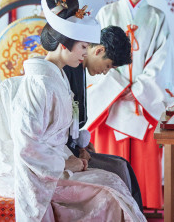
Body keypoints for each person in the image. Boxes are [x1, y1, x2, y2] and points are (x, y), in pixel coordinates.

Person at [0, 0, 146, 221]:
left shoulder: (59, 75)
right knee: (112, 191)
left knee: (116, 180)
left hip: (56, 161)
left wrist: (71, 153)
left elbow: (55, 134)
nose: (86, 53)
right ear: (64, 45)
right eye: (83, 47)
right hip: (39, 172)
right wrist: (65, 161)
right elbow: (28, 147)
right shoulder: (40, 84)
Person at [84, 0, 174, 209]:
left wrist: (138, 89)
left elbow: (163, 59)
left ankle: (145, 206)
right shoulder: (106, 13)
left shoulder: (157, 17)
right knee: (108, 157)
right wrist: (117, 88)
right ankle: (110, 206)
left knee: (144, 157)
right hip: (111, 100)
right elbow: (96, 54)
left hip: (143, 99)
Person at [63, 25, 143, 211]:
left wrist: (81, 145)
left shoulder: (78, 68)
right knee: (119, 170)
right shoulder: (68, 69)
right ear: (98, 50)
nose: (106, 72)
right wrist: (76, 150)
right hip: (61, 156)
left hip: (72, 149)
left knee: (123, 166)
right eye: (108, 66)